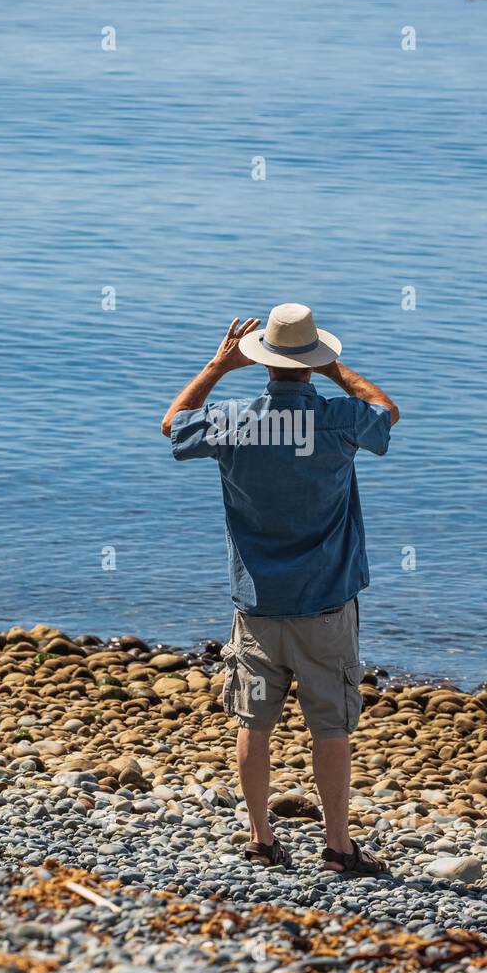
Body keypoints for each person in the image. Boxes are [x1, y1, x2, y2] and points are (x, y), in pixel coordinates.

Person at [161, 304, 399, 877]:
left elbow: (172, 423)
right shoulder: (340, 419)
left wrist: (217, 367)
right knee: (331, 726)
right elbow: (387, 412)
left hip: (257, 602)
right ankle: (339, 847)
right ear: (312, 365)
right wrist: (335, 370)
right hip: (326, 603)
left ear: (261, 362)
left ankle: (262, 839)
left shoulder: (233, 420)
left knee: (254, 722)